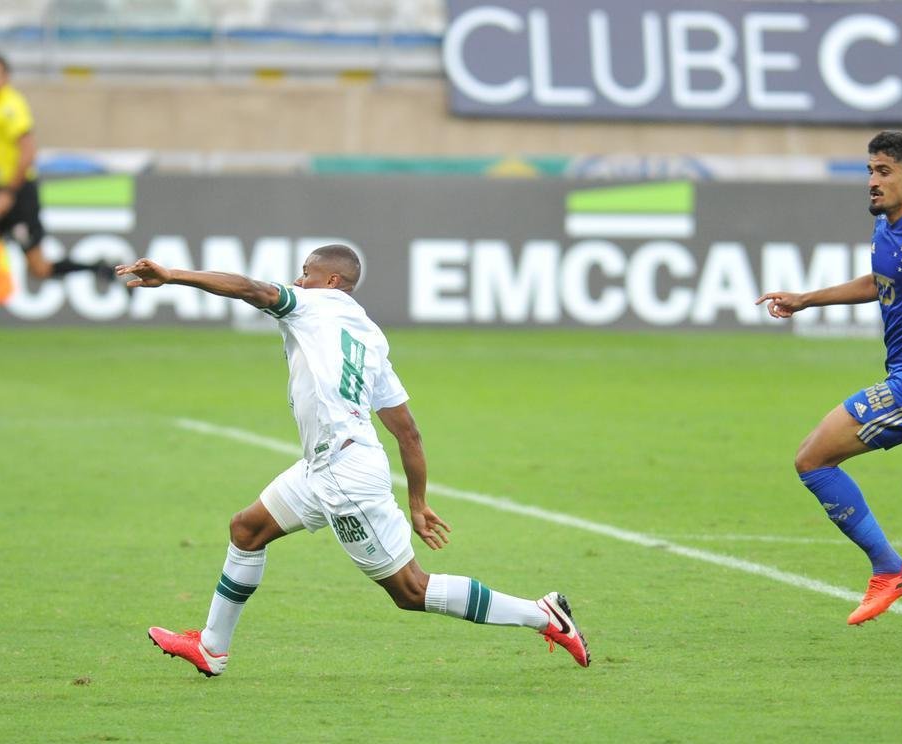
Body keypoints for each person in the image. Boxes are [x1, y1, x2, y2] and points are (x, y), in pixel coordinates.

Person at [118, 244, 589, 676]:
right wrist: (418, 502)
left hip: (344, 476)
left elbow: (251, 289)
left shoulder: (309, 305)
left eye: (305, 273)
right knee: (247, 529)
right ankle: (212, 647)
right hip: (328, 465)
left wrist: (174, 275)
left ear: (331, 282)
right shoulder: (370, 338)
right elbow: (408, 431)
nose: (297, 281)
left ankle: (541, 614)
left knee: (410, 591)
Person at [757, 131, 902, 625]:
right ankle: (889, 567)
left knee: (813, 459)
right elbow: (883, 282)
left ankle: (889, 569)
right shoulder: (890, 228)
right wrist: (807, 298)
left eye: (883, 172)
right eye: (869, 171)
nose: (872, 182)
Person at [0, 52, 113, 346]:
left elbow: (28, 152)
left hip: (19, 194)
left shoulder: (11, 106)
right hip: (3, 189)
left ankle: (100, 269)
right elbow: (5, 158)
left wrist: (8, 193)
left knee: (37, 269)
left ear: (5, 78)